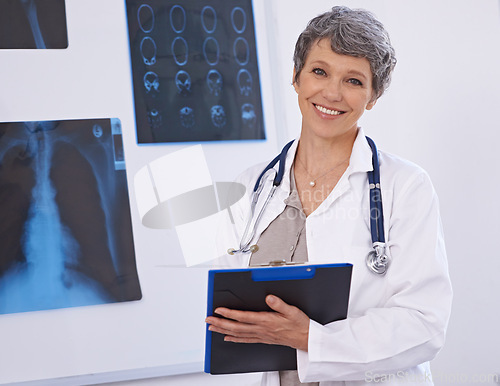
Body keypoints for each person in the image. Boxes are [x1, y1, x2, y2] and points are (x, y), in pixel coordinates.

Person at [206, 6, 452, 386]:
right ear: (295, 77)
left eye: (354, 81)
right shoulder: (250, 187)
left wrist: (311, 339)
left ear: (373, 96)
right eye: (319, 71)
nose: (332, 93)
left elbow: (424, 323)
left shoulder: (405, 186)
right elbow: (228, 314)